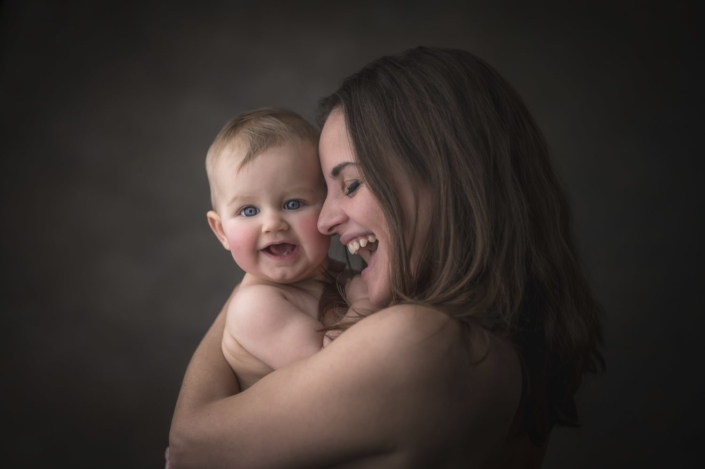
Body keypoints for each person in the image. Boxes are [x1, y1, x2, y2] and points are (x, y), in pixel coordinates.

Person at [169, 47, 604, 468]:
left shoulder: (418, 341)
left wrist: (255, 286)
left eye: (351, 185)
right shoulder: (511, 350)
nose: (325, 221)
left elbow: (190, 447)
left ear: (443, 176)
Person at [202, 108, 366, 391]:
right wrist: (365, 301)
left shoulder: (329, 274)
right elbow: (336, 374)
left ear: (327, 206)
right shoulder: (256, 307)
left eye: (293, 204)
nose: (272, 224)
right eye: (249, 210)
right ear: (221, 232)